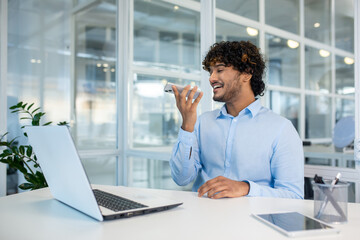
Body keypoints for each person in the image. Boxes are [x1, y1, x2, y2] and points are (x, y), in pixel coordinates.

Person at [169, 41, 304, 199]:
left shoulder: (281, 129)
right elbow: (181, 178)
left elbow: (293, 196)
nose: (212, 78)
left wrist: (246, 188)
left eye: (219, 70)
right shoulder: (202, 122)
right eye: (210, 72)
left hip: (252, 221)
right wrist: (187, 125)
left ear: (246, 73)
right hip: (203, 217)